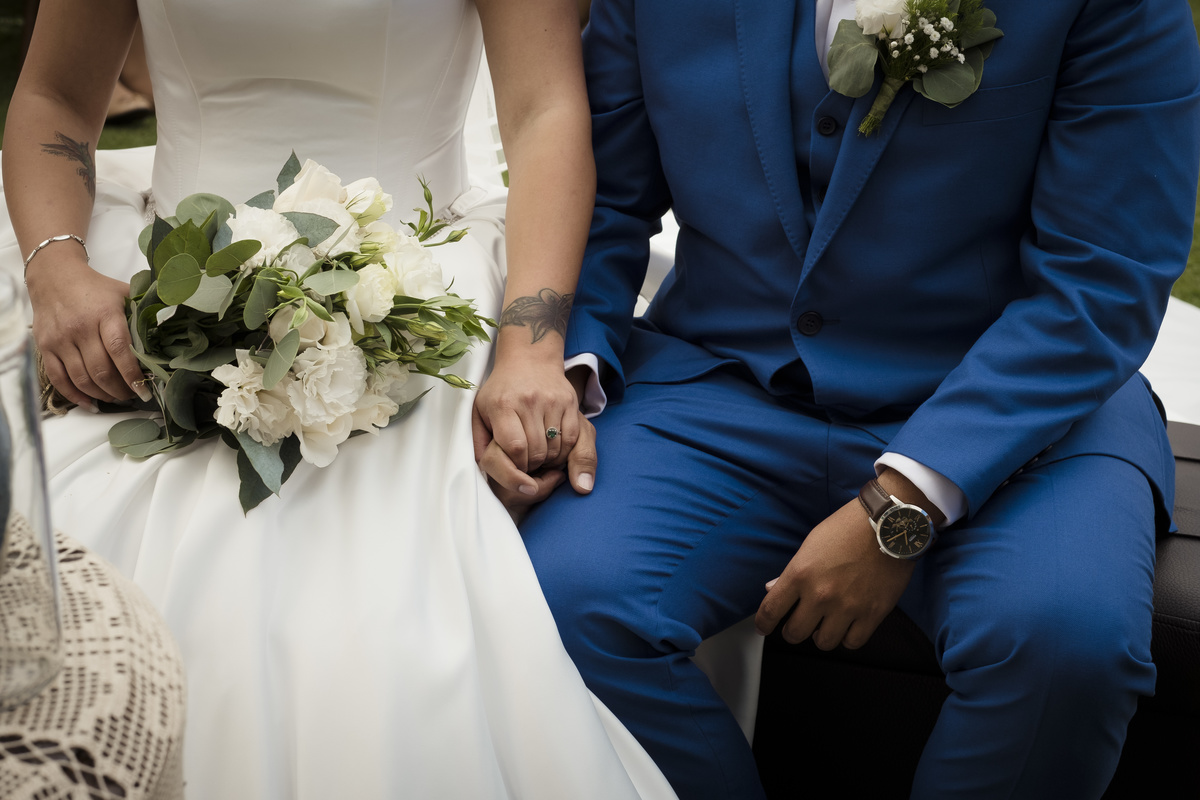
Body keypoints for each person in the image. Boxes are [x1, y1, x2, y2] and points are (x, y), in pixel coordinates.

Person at [515, 1, 1200, 798]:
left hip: (1023, 413)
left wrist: (898, 508)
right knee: (559, 598)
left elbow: (1102, 278)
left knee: (1065, 645)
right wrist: (565, 369)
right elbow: (601, 198)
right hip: (727, 383)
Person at [1, 1, 676, 798]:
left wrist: (530, 348)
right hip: (159, 274)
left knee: (376, 604)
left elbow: (543, 112)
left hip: (410, 281)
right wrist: (57, 270)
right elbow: (54, 98)